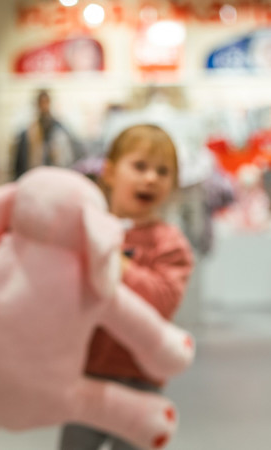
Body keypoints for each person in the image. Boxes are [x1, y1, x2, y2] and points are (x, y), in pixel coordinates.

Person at [60, 124, 194, 450]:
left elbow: (162, 300)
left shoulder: (170, 243)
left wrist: (119, 265)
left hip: (140, 380)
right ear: (109, 172)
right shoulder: (88, 227)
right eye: (139, 167)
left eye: (163, 172)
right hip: (85, 373)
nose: (150, 178)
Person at [12, 89, 81, 179]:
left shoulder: (59, 129)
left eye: (46, 102)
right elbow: (20, 162)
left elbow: (68, 157)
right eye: (41, 103)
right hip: (35, 176)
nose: (43, 106)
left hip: (57, 177)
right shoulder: (28, 132)